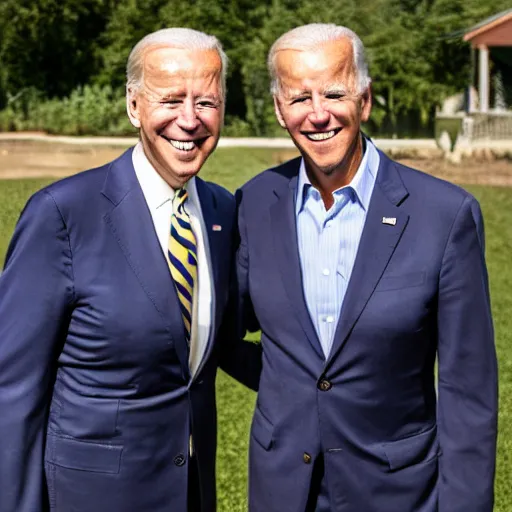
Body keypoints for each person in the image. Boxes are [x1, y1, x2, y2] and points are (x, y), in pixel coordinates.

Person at [236, 24, 498, 512]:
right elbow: (220, 331)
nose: (318, 114)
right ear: (278, 109)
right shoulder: (254, 203)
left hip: (397, 492)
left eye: (334, 93)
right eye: (299, 98)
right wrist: (289, 383)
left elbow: (469, 392)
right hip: (283, 490)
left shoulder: (444, 215)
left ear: (365, 99)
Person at [0, 28, 259, 512]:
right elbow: (11, 388)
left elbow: (219, 344)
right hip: (91, 496)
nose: (189, 120)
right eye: (170, 99)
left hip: (191, 494)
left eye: (206, 102)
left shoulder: (224, 211)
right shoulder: (62, 214)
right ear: (134, 105)